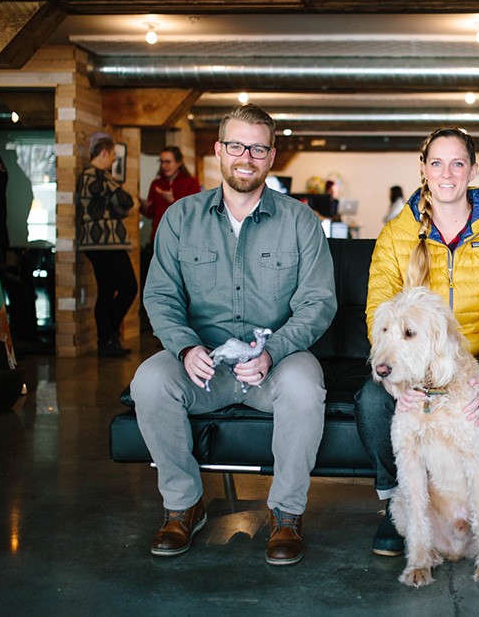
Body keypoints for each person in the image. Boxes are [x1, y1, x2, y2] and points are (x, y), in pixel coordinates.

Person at [129, 104, 337, 566]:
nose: (247, 156)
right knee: (148, 380)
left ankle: (286, 515)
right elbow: (160, 297)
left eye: (258, 147)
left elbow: (318, 302)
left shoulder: (301, 221)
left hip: (277, 362)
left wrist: (274, 350)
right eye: (238, 145)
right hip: (202, 364)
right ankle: (183, 504)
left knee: (305, 386)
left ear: (271, 156)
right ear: (220, 151)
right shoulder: (180, 218)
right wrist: (184, 347)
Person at [355, 127, 479, 558]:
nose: (447, 173)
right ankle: (395, 506)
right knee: (370, 401)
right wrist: (396, 379)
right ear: (423, 169)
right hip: (416, 364)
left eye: (457, 163)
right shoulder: (395, 235)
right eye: (436, 163)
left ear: (472, 170)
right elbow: (379, 315)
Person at [76, 132, 138, 358]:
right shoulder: (96, 176)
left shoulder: (94, 177)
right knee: (128, 287)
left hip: (98, 243)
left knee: (107, 291)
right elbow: (125, 201)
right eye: (112, 155)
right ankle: (108, 336)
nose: (113, 160)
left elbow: (120, 206)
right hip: (104, 242)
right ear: (103, 153)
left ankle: (108, 341)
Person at [140, 146, 201, 246]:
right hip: (158, 236)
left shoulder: (191, 183)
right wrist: (143, 207)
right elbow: (151, 213)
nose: (164, 166)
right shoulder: (156, 184)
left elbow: (194, 212)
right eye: (161, 162)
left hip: (182, 238)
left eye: (168, 162)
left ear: (179, 163)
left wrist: (173, 200)